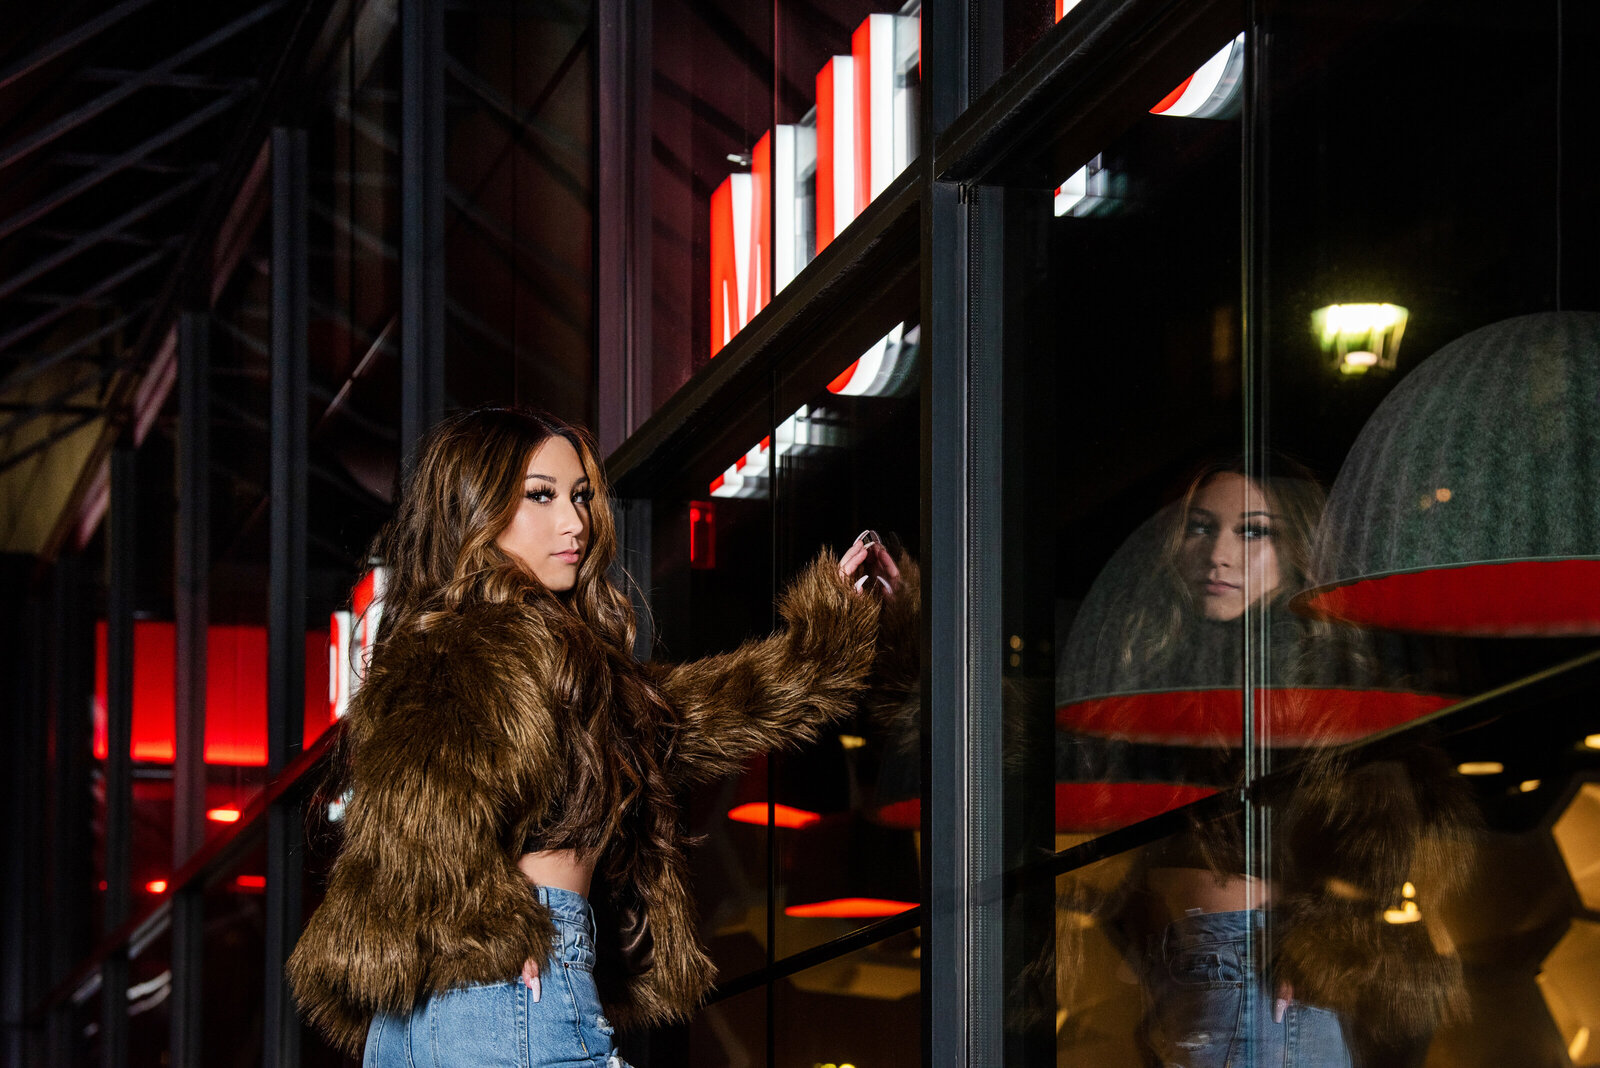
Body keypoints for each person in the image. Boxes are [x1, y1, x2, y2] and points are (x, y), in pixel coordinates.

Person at [286, 407, 901, 1067]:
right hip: (506, 981)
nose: (574, 522)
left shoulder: (524, 653)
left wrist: (827, 636)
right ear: (476, 507)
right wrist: (496, 931)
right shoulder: (489, 641)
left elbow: (694, 717)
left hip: (446, 1008)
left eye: (579, 496)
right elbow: (422, 812)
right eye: (541, 497)